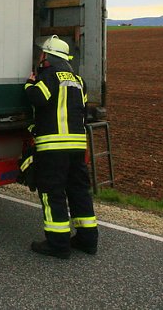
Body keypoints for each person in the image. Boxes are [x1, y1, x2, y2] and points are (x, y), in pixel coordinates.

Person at [24, 35, 98, 259]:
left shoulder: (49, 74)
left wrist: (29, 83)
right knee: (78, 192)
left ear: (47, 56)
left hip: (53, 147)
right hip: (77, 145)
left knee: (52, 193)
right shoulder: (78, 79)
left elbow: (38, 97)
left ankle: (58, 244)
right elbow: (81, 109)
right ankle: (87, 240)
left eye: (42, 54)